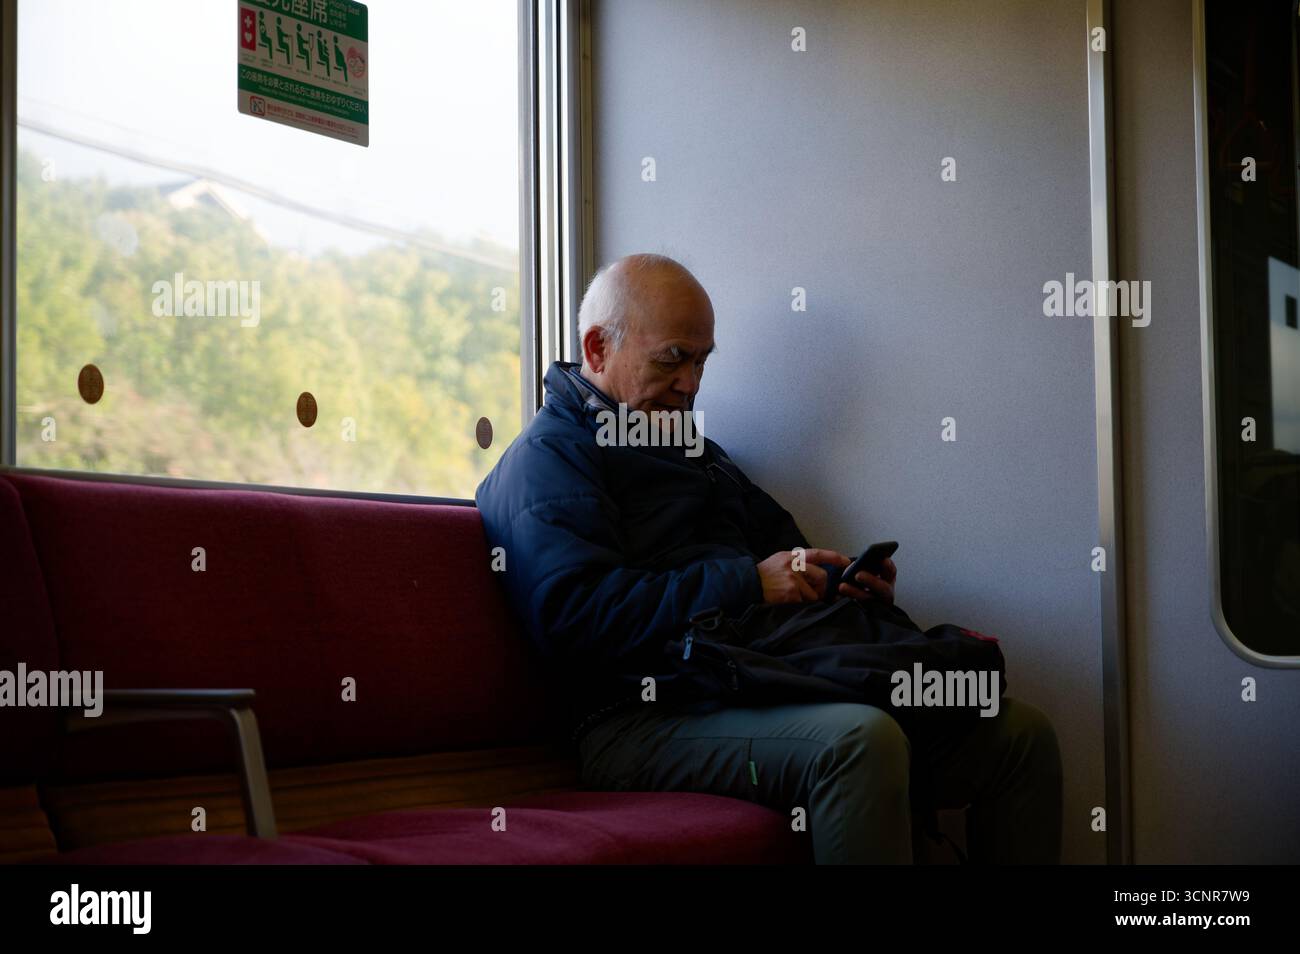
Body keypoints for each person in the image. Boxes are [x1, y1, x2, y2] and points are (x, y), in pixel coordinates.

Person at [474, 253, 1063, 863]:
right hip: (636, 715)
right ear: (598, 349)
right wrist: (748, 584)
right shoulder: (547, 461)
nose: (692, 384)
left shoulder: (696, 452)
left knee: (1019, 733)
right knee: (860, 741)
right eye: (673, 357)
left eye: (702, 361)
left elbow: (783, 556)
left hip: (744, 676)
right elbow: (578, 620)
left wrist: (837, 582)